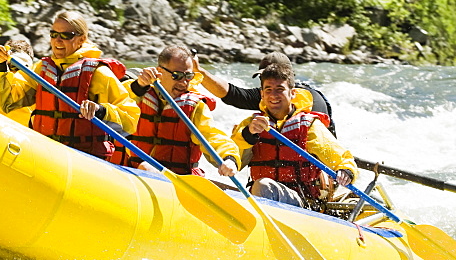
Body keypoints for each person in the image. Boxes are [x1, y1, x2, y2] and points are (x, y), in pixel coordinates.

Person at [0, 10, 138, 160]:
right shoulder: (41, 68)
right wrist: (1, 67)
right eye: (53, 34)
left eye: (66, 36)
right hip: (46, 150)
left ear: (82, 39)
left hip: (84, 157)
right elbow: (9, 101)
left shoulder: (98, 73)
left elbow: (131, 117)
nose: (57, 40)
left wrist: (100, 110)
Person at [227, 61, 357, 212]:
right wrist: (248, 135)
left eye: (280, 89)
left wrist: (346, 171)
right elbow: (231, 156)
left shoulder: (308, 125)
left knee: (263, 185)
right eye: (268, 90)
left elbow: (342, 157)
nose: (273, 95)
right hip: (262, 196)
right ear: (262, 94)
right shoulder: (251, 124)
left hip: (302, 202)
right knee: (259, 186)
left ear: (292, 93)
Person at [123, 45, 239, 176]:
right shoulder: (138, 92)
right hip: (134, 172)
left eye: (188, 76)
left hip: (178, 177)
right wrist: (138, 86)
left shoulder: (194, 106)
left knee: (146, 166)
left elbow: (212, 135)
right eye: (177, 76)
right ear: (159, 72)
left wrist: (230, 158)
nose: (184, 82)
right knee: (145, 166)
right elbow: (118, 100)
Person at [194, 51, 336, 134]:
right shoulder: (268, 95)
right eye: (264, 77)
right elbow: (232, 95)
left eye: (275, 78)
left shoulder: (306, 99)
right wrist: (199, 72)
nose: (271, 91)